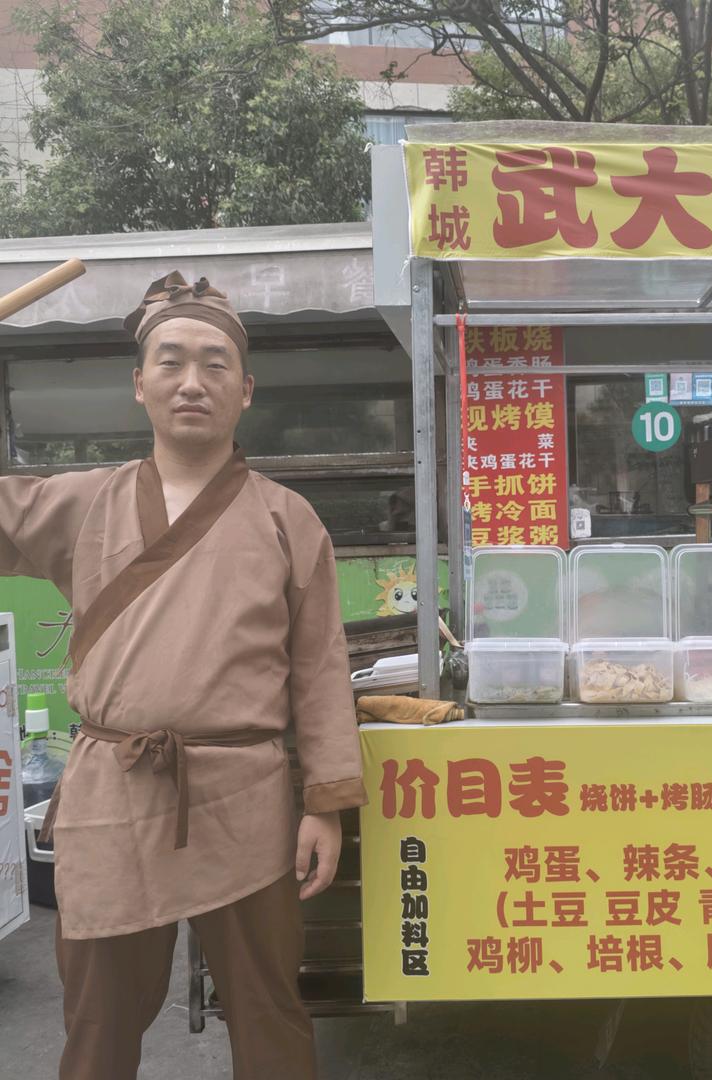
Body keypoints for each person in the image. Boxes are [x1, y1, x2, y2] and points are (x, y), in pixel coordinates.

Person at [0, 272, 366, 1080]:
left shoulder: (285, 517)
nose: (192, 382)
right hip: (111, 798)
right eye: (170, 362)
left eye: (213, 364)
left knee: (270, 1014)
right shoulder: (81, 502)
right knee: (96, 1024)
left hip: (246, 796)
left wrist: (326, 804)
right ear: (139, 385)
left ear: (245, 390)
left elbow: (318, 668)